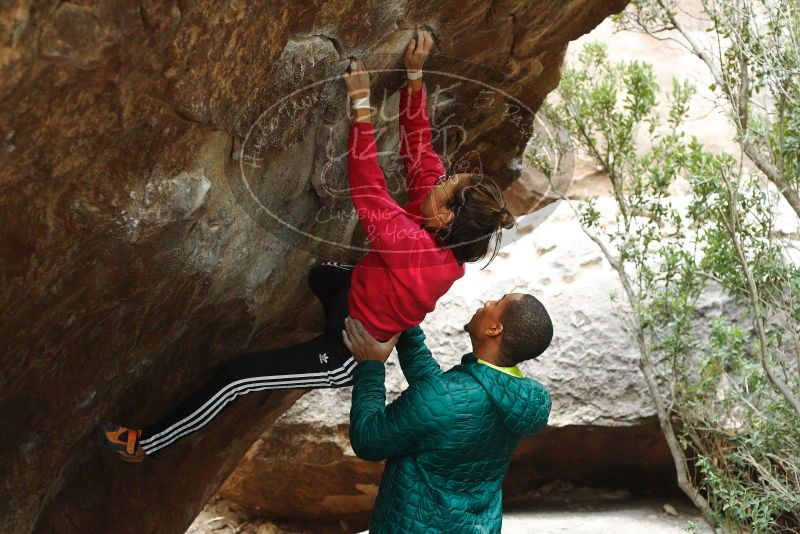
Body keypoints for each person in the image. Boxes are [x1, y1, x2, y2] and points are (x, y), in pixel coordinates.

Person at [98, 29, 514, 462]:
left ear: (445, 217)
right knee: (319, 274)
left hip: (347, 347)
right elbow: (420, 150)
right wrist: (414, 77)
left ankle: (145, 444)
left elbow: (369, 190)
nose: (441, 178)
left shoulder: (422, 255)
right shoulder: (439, 219)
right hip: (352, 292)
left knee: (235, 376)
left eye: (448, 186)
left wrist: (361, 107)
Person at [343, 293, 553, 534]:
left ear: (494, 329)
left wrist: (370, 367)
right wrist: (405, 321)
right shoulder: (519, 399)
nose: (487, 302)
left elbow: (368, 439)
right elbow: (438, 398)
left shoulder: (448, 396)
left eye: (497, 302)